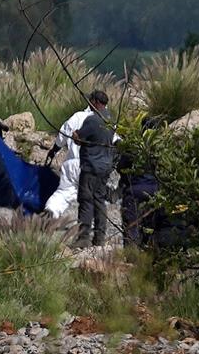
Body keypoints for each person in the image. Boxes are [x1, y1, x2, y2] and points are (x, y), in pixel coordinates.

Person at [43, 90, 109, 218]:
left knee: (64, 192)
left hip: (71, 164)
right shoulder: (107, 122)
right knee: (93, 197)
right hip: (92, 166)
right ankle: (90, 226)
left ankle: (52, 210)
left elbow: (62, 136)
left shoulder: (77, 116)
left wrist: (54, 151)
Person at [73, 92, 116, 247]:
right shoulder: (110, 119)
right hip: (105, 167)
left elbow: (79, 138)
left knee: (86, 201)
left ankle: (83, 238)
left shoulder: (92, 120)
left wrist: (75, 135)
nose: (89, 104)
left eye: (91, 101)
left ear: (96, 102)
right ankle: (100, 238)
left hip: (91, 166)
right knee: (100, 201)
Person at [116, 117, 161, 247]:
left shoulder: (134, 146)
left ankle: (132, 257)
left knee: (131, 225)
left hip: (135, 190)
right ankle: (149, 256)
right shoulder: (160, 148)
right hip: (156, 192)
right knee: (152, 225)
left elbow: (121, 168)